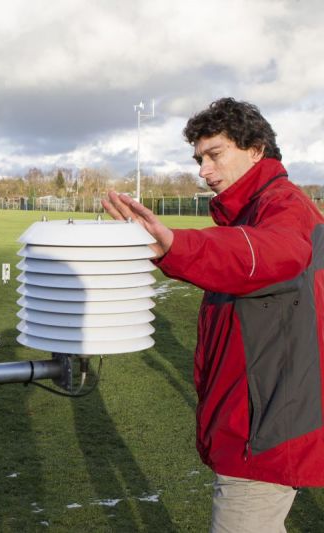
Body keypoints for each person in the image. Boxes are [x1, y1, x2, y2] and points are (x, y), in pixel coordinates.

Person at [102, 97, 324, 532]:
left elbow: (274, 253)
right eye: (199, 158)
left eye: (215, 154)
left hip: (265, 428)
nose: (203, 170)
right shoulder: (255, 208)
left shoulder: (283, 207)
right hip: (267, 413)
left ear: (256, 149)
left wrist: (179, 246)